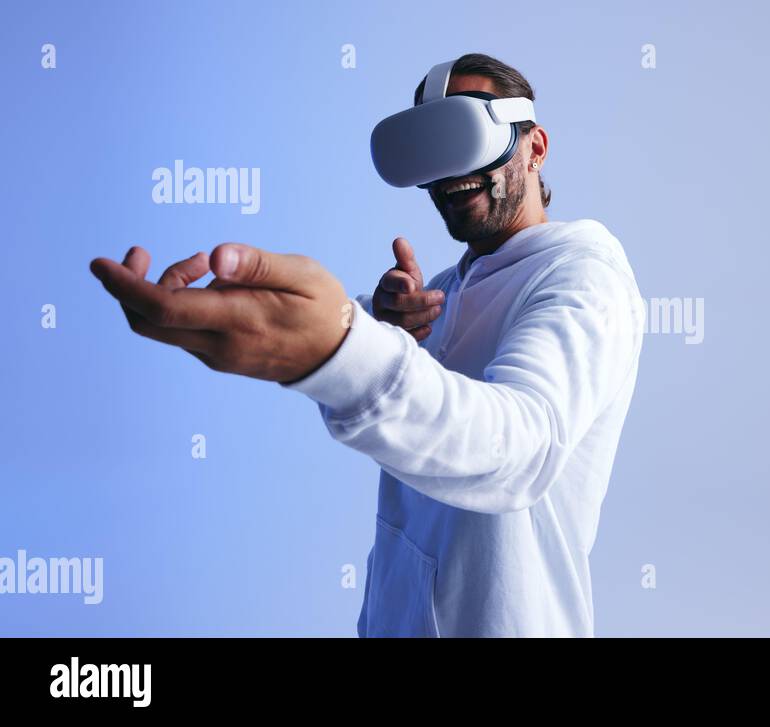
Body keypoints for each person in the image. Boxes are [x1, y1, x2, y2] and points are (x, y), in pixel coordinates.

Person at [89, 53, 643, 637]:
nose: (451, 173)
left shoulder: (584, 277)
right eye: (431, 151)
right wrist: (377, 332)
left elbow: (520, 449)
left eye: (470, 137)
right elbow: (411, 433)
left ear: (535, 147)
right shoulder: (439, 295)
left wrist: (341, 346)